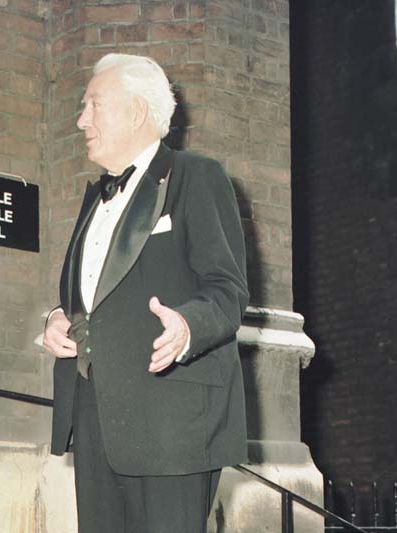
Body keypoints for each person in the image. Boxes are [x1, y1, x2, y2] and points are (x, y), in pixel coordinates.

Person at [42, 53, 249, 533]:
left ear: (136, 111)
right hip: (95, 415)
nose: (80, 120)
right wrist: (57, 317)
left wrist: (187, 326)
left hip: (170, 421)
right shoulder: (94, 195)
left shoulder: (197, 176)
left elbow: (228, 289)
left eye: (93, 105)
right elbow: (85, 297)